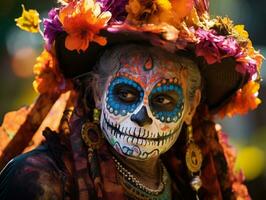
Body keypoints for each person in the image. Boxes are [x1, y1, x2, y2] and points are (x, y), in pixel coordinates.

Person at [0, 0, 263, 199]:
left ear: (191, 106)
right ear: (98, 92)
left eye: (163, 100)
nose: (141, 116)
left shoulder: (187, 182)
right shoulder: (40, 179)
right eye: (125, 94)